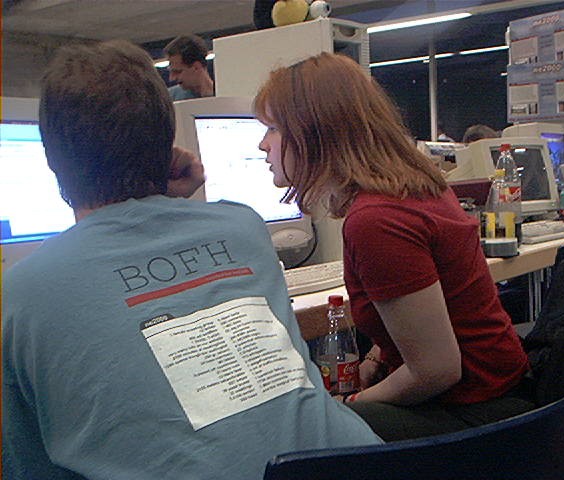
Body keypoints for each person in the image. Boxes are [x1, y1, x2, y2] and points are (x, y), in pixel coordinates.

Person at [1, 40, 381, 480]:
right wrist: (158, 189)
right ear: (167, 143)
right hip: (364, 465)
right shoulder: (243, 226)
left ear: (51, 159)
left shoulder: (22, 293)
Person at [253, 52, 534, 441]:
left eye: (272, 128)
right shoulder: (413, 187)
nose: (262, 144)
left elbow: (436, 370)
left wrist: (351, 404)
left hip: (478, 412)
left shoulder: (376, 220)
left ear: (316, 132)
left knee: (302, 428)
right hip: (502, 389)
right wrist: (374, 360)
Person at [163, 34, 215, 101]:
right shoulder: (169, 98)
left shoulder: (223, 94)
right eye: (171, 71)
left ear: (196, 67)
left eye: (178, 72)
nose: (172, 78)